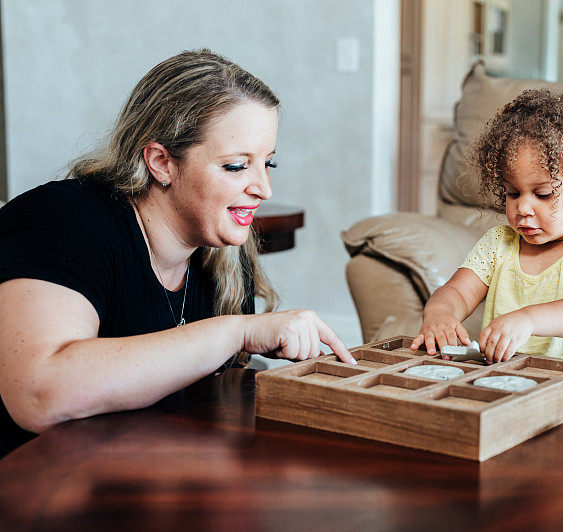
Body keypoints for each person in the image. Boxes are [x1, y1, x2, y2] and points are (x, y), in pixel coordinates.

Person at [0, 49, 356, 457]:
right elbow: (38, 394)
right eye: (237, 166)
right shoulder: (64, 218)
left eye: (268, 163)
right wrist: (236, 332)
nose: (263, 188)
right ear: (161, 162)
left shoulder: (223, 257)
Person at [410, 88, 563, 391]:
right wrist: (440, 314)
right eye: (512, 193)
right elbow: (457, 291)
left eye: (543, 194)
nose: (522, 207)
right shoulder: (498, 243)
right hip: (505, 393)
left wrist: (529, 320)